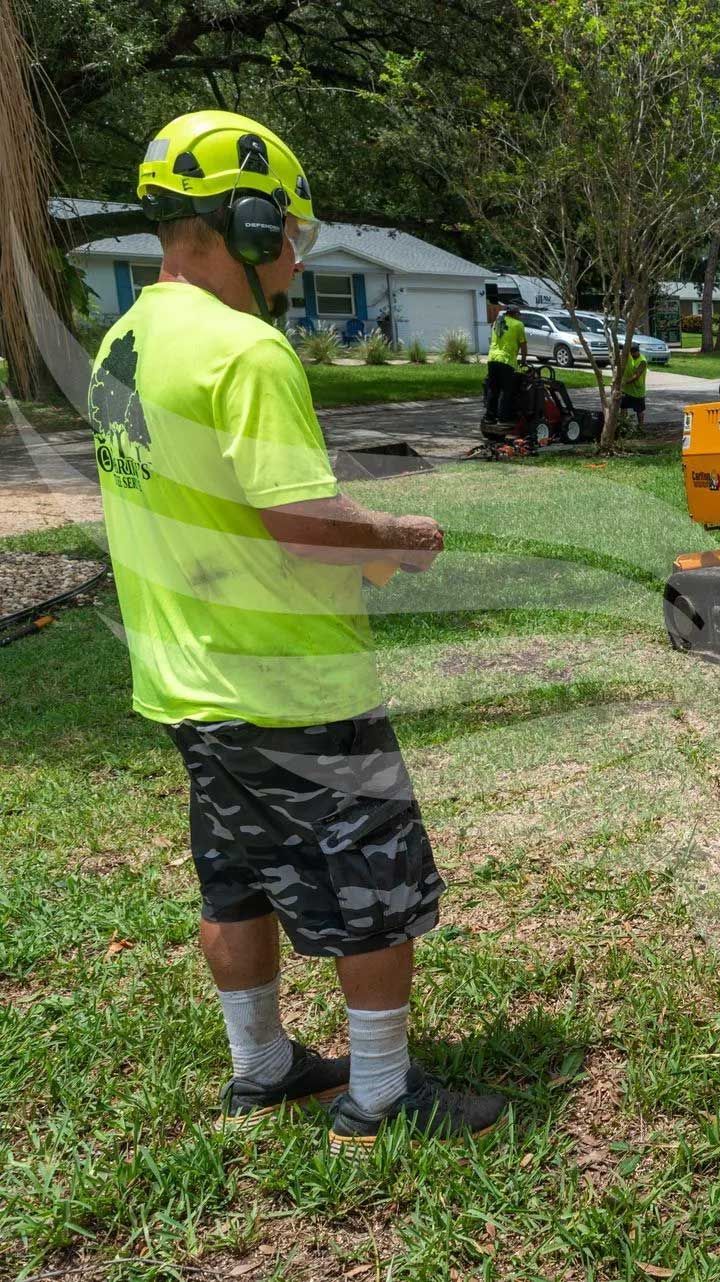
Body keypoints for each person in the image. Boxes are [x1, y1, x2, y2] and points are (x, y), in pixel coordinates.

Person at [89, 109, 505, 1155]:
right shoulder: (247, 351)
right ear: (247, 217)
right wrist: (403, 535)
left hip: (184, 677)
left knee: (234, 880)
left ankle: (262, 1067)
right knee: (374, 888)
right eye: (286, 235)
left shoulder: (124, 339)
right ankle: (378, 1094)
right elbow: (303, 526)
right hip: (289, 685)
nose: (288, 260)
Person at [483, 304, 528, 426]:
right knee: (506, 390)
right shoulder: (518, 325)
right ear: (514, 313)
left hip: (492, 359)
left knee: (493, 389)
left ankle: (489, 416)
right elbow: (523, 344)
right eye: (518, 314)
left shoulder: (497, 322)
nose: (519, 316)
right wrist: (524, 360)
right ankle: (503, 418)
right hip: (506, 360)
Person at [620, 340, 648, 428]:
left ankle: (641, 428)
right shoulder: (627, 355)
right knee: (623, 407)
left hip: (638, 390)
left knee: (639, 410)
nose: (632, 355)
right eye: (631, 352)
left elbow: (636, 376)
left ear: (638, 351)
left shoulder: (642, 361)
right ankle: (623, 426)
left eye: (634, 352)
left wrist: (624, 382)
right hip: (626, 389)